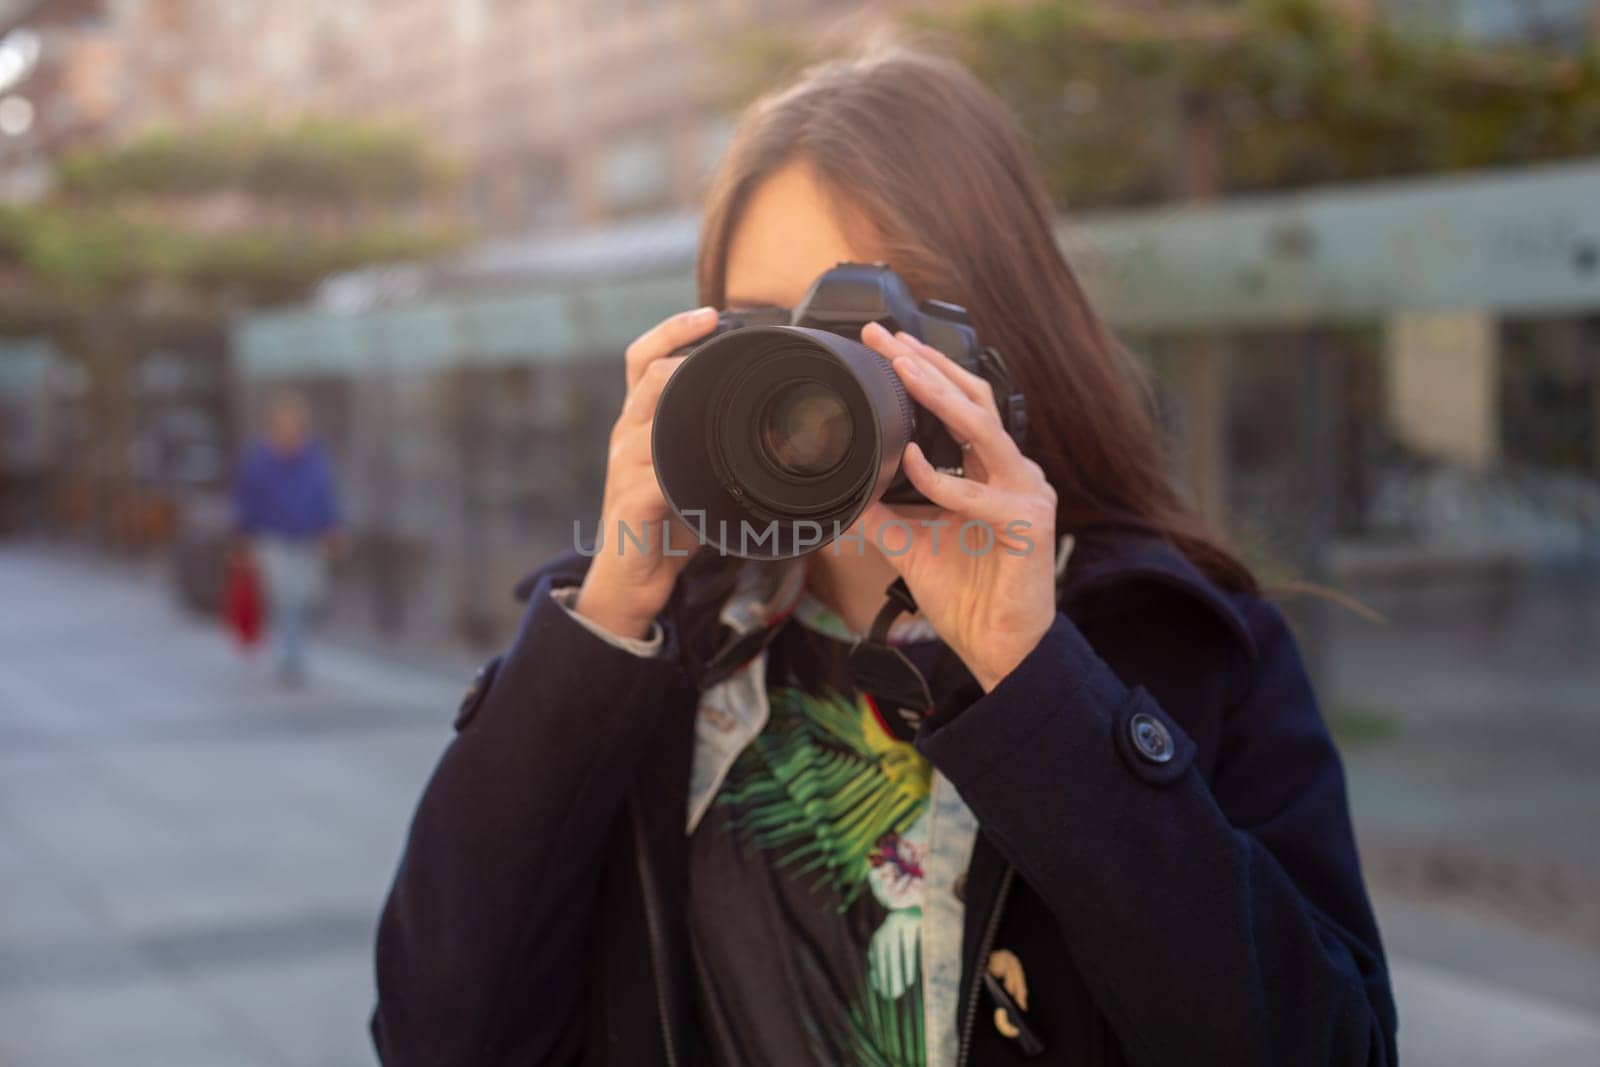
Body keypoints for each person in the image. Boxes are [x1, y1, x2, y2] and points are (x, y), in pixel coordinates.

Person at [370, 45, 1397, 1067]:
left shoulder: (1183, 647)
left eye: (862, 328)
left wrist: (1040, 688)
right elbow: (434, 1035)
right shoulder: (655, 638)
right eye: (761, 326)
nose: (804, 381)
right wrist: (605, 620)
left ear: (994, 343)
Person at [233, 390, 344, 685]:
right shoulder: (259, 462)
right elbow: (248, 501)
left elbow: (325, 496)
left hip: (308, 538)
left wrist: (331, 526)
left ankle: (295, 649)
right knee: (285, 597)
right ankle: (290, 656)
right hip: (273, 538)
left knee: (307, 595)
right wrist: (244, 538)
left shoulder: (314, 459)